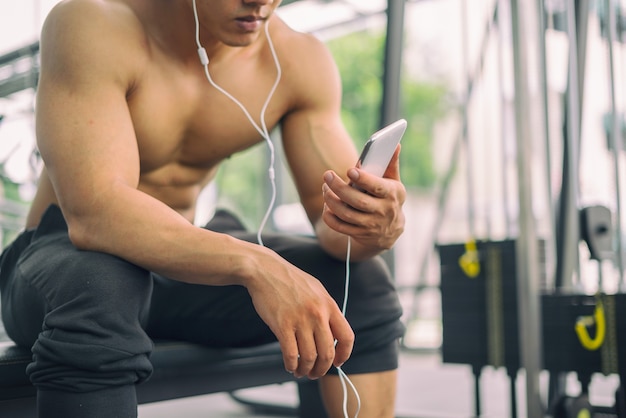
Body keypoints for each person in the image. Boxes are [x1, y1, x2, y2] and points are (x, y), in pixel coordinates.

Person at [0, 0, 407, 417]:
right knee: (102, 285)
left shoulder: (295, 59)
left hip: (178, 270)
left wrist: (371, 226)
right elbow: (94, 215)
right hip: (62, 263)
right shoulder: (94, 24)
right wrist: (257, 265)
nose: (259, 1)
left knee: (361, 284)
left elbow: (333, 229)